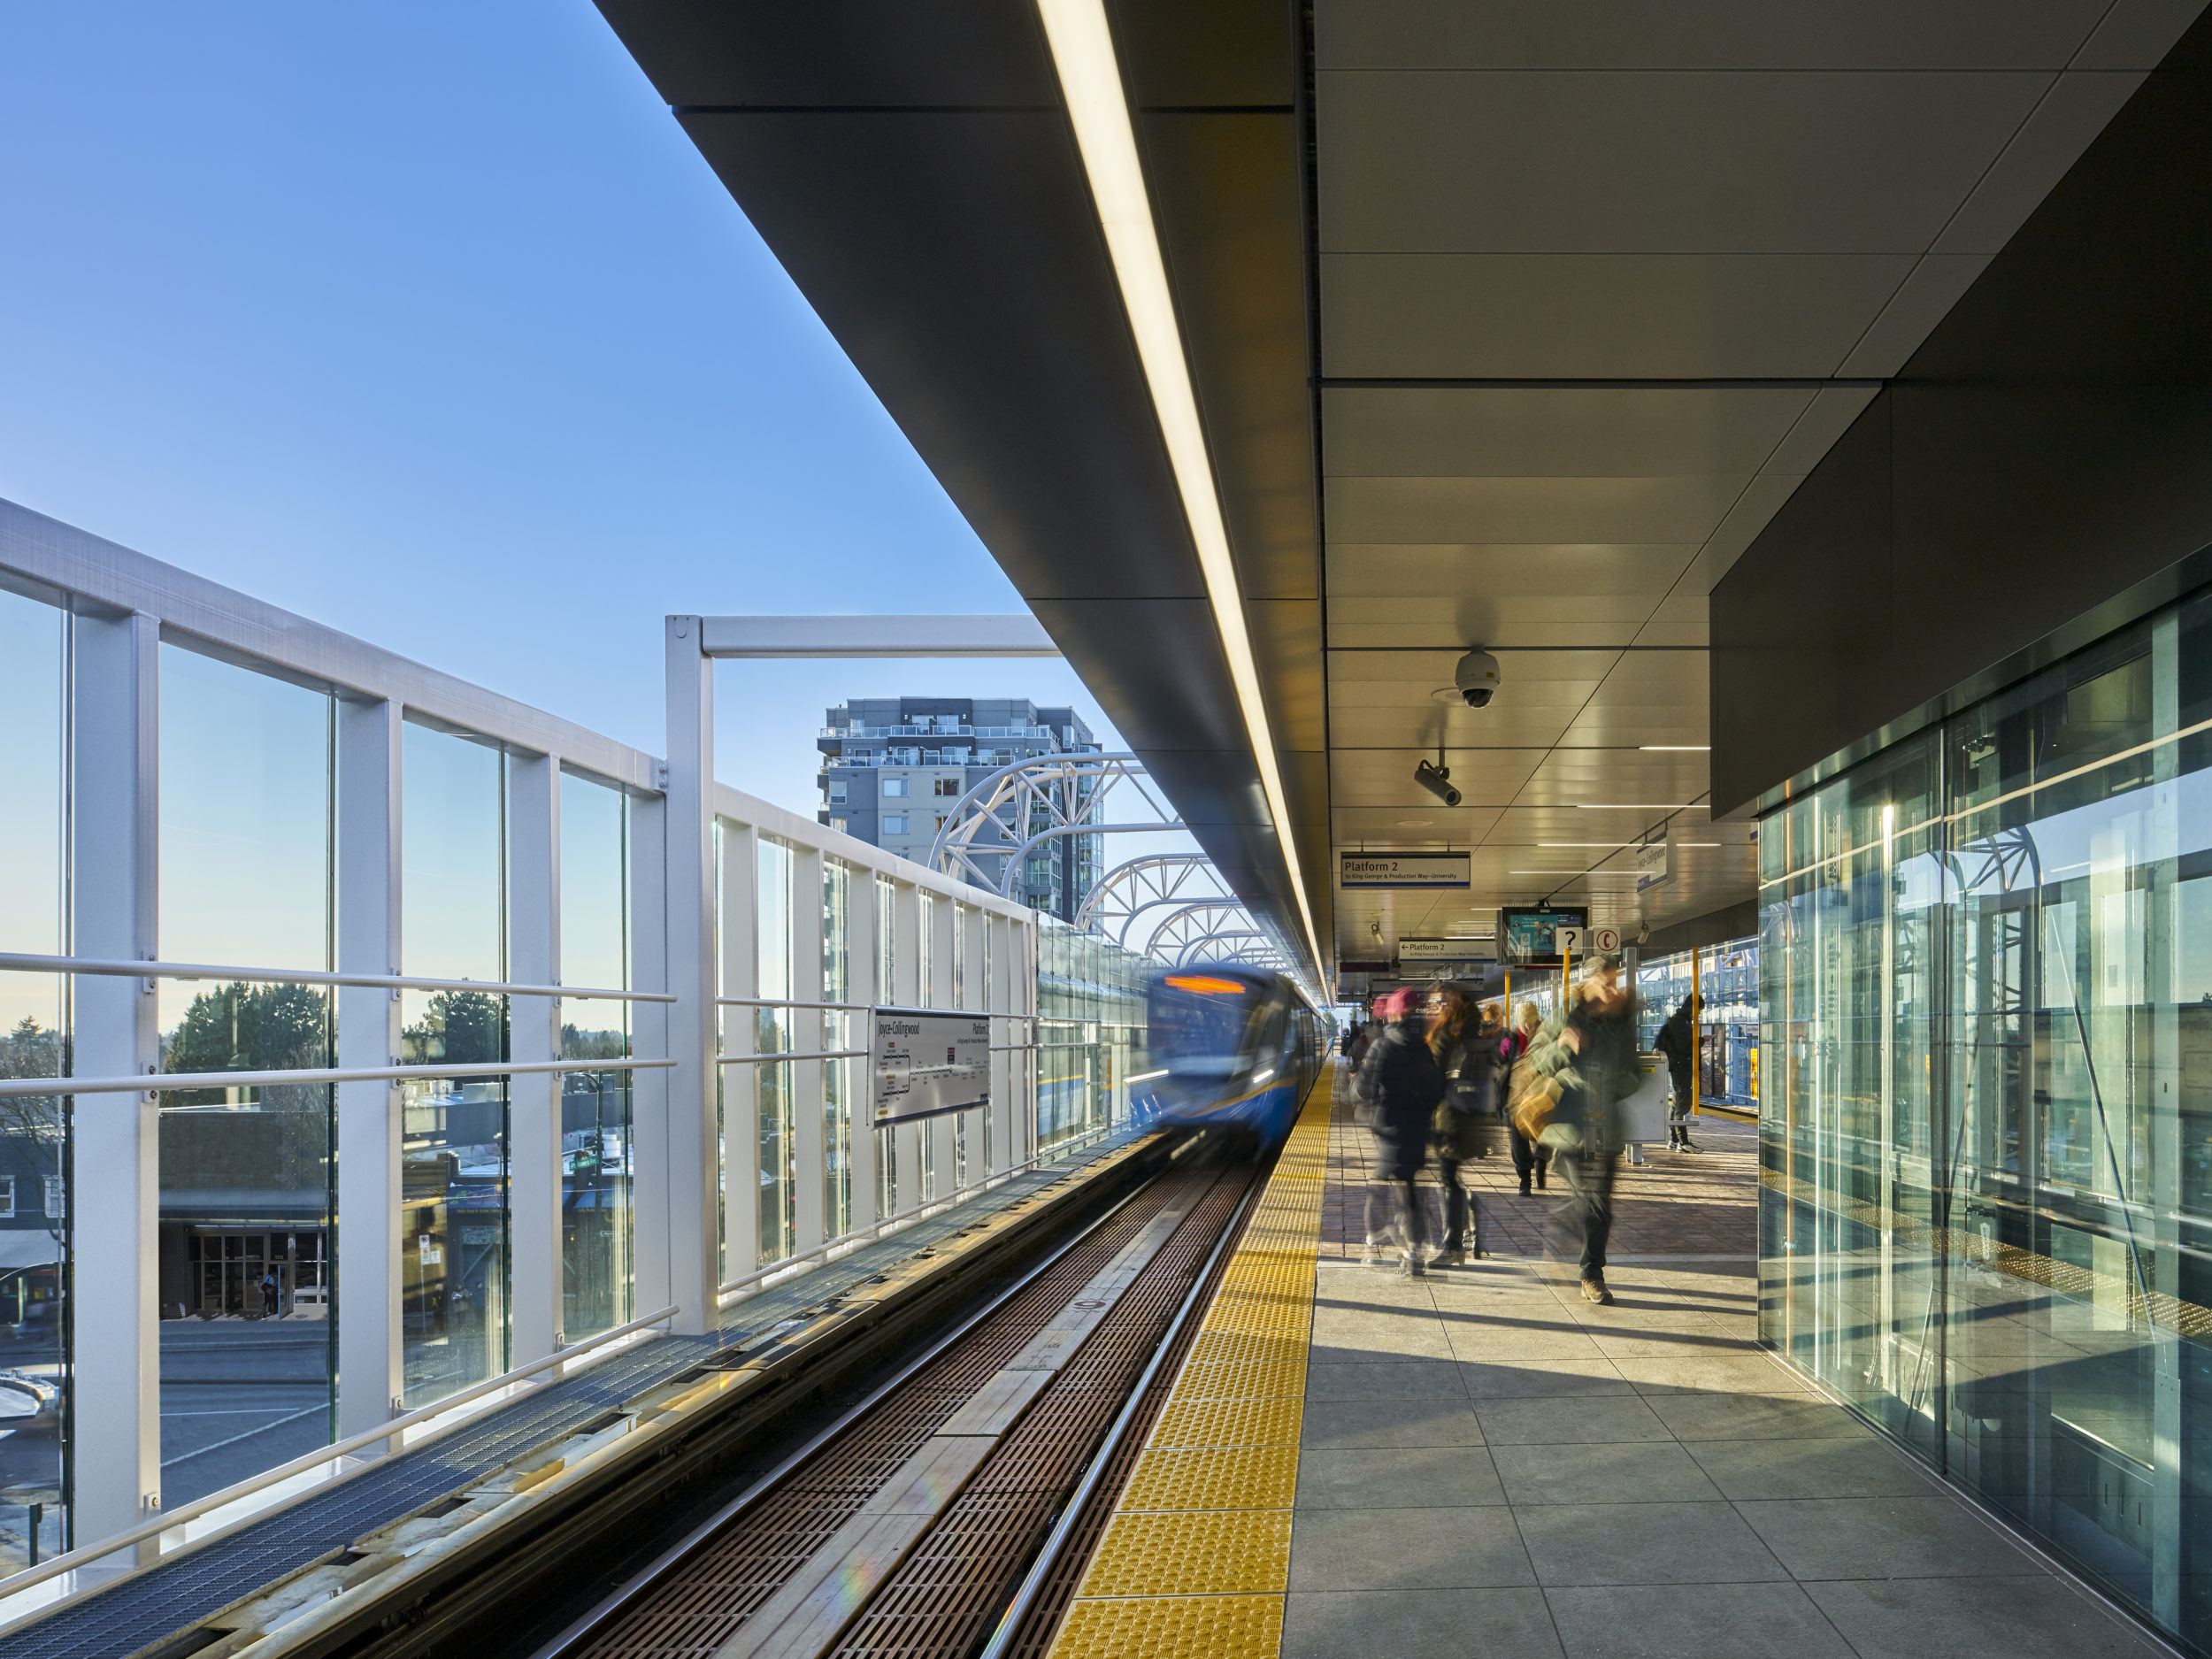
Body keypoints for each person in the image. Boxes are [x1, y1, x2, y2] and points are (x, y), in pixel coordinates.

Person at [1541, 954, 1640, 1304]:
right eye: (1606, 982)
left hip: (1606, 1123)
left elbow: (1634, 1074)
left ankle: (1591, 1272)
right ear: (1588, 982)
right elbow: (1538, 1061)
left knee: (1600, 1204)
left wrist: (1611, 1088)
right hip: (1571, 1122)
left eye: (1616, 982)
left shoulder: (1621, 1022)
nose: (1613, 990)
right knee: (1583, 1200)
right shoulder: (1566, 1017)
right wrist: (1561, 1047)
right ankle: (1562, 1234)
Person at [1356, 987, 1443, 1276]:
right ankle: (1413, 1251)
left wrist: (1357, 1085)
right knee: (1408, 1188)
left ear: (1393, 1014)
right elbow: (1437, 1090)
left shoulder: (1383, 1046)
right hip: (1417, 1128)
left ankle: (1374, 1242)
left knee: (1381, 1185)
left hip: (1391, 1128)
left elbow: (1365, 1090)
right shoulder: (1423, 1047)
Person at [1425, 986, 1493, 1266]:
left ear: (1450, 1004)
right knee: (1452, 1179)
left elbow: (1432, 1079)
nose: (1434, 1007)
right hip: (1473, 1116)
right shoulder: (1479, 1032)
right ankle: (1467, 1227)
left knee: (1449, 1181)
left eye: (1439, 1002)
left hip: (1449, 1118)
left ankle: (1453, 1246)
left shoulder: (1446, 1035)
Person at [1500, 1001, 1550, 1195]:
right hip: (1517, 1098)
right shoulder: (1510, 1040)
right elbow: (1500, 1063)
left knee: (1542, 1137)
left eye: (1531, 1022)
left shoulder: (1546, 1038)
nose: (1528, 1026)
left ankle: (1541, 1163)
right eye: (1524, 1023)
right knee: (1519, 1140)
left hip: (1541, 1096)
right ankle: (1524, 1180)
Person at [1654, 993, 1702, 1151]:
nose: (1699, 1013)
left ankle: (1674, 1141)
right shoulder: (1680, 1022)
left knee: (1676, 1105)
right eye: (1699, 1010)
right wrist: (1702, 1040)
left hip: (1679, 1068)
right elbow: (1685, 1046)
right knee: (1682, 1104)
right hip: (1682, 1068)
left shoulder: (1680, 1020)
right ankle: (1683, 1142)